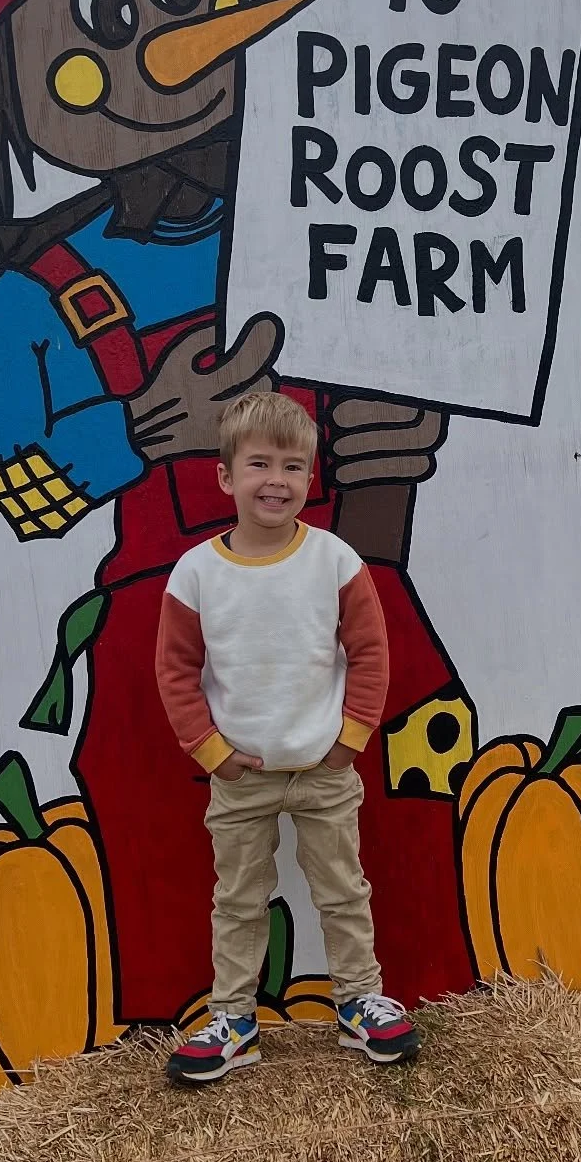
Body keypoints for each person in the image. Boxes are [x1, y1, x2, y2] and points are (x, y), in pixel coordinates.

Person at [156, 391, 420, 1083]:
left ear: (310, 478)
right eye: (260, 464)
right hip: (239, 775)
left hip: (324, 770)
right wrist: (212, 752)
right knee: (238, 899)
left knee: (343, 889)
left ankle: (359, 1001)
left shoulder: (334, 561)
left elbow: (370, 653)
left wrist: (350, 739)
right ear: (225, 476)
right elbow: (175, 670)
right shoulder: (196, 572)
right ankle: (234, 1019)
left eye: (293, 467)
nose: (276, 480)